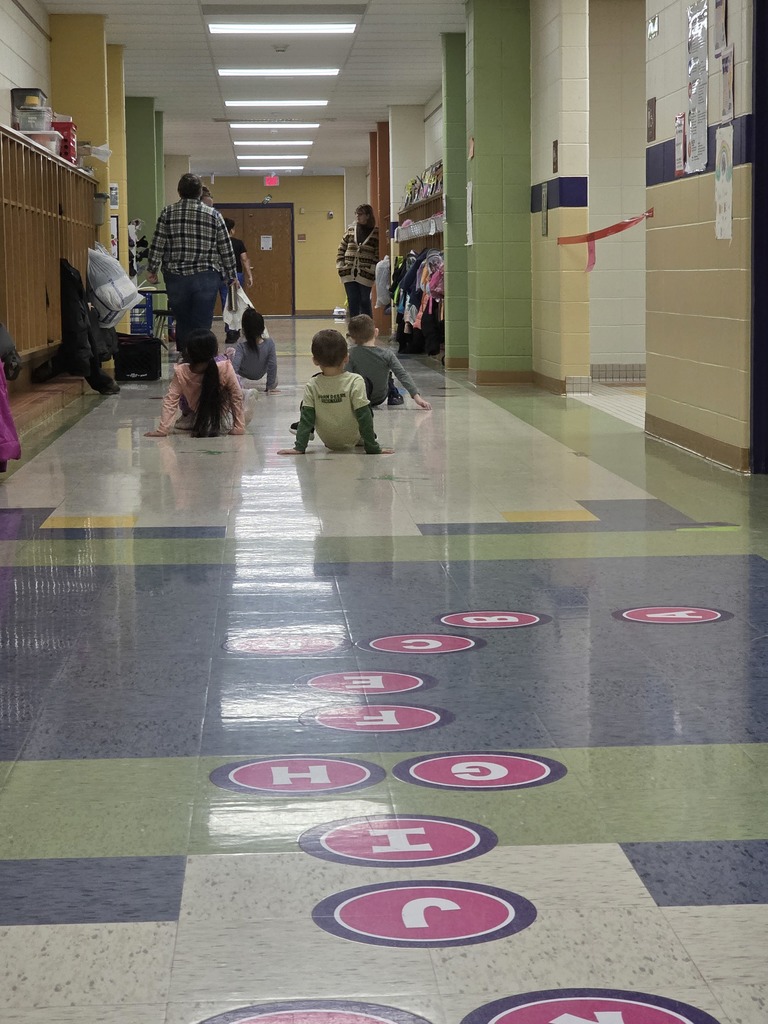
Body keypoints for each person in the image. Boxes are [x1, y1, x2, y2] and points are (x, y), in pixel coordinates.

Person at [145, 173, 236, 358]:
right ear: (199, 192)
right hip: (206, 276)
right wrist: (231, 274)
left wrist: (152, 269)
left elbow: (158, 243)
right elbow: (225, 247)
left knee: (183, 320)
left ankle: (187, 358)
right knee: (202, 322)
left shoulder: (167, 213)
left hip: (176, 277)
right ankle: (202, 359)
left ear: (179, 192)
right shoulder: (214, 215)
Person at [278, 330, 392, 456]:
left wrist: (299, 447)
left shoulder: (312, 384)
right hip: (353, 438)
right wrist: (373, 448)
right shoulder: (356, 381)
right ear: (347, 357)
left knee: (307, 407)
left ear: (315, 360)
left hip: (329, 441)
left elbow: (306, 419)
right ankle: (362, 439)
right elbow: (364, 416)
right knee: (364, 407)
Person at [144, 328, 245, 438]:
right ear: (215, 350)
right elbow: (236, 396)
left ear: (187, 351)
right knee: (238, 389)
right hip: (221, 412)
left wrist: (162, 430)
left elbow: (170, 400)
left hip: (198, 411)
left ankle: (194, 420)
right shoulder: (225, 367)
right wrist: (239, 427)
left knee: (185, 421)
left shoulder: (181, 371)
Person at [346, 314, 432, 410]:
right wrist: (417, 397)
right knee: (389, 376)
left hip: (357, 398)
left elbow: (346, 377)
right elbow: (402, 374)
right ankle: (393, 393)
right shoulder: (387, 354)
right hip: (379, 398)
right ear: (376, 332)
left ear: (352, 338)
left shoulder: (349, 354)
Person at [336, 203, 379, 317]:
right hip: (348, 272)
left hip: (366, 273)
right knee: (353, 301)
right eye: (357, 214)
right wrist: (340, 265)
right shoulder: (350, 230)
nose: (358, 216)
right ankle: (354, 328)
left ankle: (367, 328)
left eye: (360, 214)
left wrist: (373, 268)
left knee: (365, 300)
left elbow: (377, 252)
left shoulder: (375, 233)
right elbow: (341, 247)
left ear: (368, 216)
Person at [219, 217, 254, 342]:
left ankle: (229, 329)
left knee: (225, 302)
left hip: (219, 274)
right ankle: (234, 330)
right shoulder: (238, 243)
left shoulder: (217, 242)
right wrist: (249, 275)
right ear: (232, 230)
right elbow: (244, 259)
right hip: (235, 275)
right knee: (235, 303)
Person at [230, 308, 279, 393]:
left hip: (243, 372)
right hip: (260, 373)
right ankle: (271, 385)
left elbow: (235, 366)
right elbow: (272, 365)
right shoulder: (270, 343)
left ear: (244, 330)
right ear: (263, 328)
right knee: (275, 375)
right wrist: (270, 386)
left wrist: (232, 385)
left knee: (230, 352)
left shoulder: (241, 345)